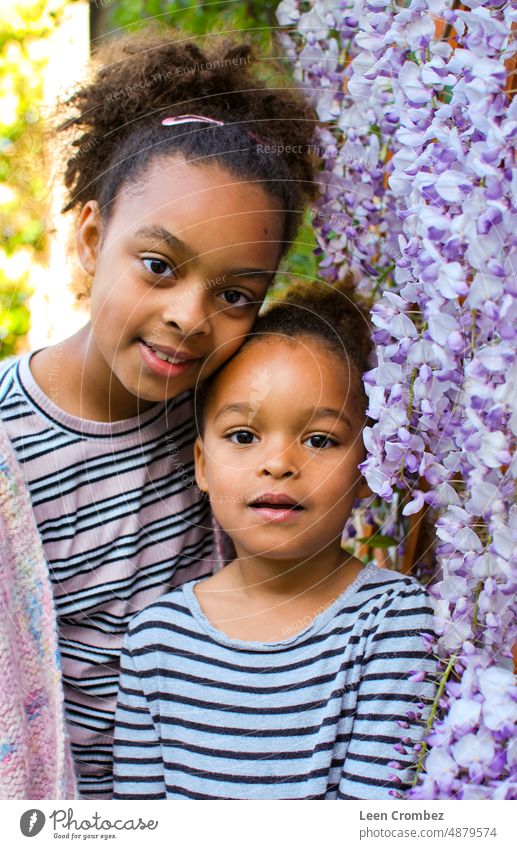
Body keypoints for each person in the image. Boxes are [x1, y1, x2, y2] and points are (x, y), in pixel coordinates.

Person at [0, 27, 320, 798]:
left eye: (235, 294)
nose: (189, 314)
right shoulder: (10, 445)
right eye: (158, 265)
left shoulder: (231, 430)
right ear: (88, 236)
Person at [112, 281, 437, 800]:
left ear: (366, 468)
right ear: (201, 464)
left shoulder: (396, 622)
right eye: (243, 435)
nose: (280, 463)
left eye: (319, 439)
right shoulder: (154, 639)